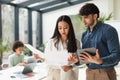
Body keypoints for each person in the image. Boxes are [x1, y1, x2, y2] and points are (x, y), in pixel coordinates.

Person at [70, 3, 120, 80]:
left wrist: (100, 61)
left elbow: (116, 56)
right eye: (82, 17)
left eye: (86, 17)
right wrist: (77, 61)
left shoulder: (109, 30)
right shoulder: (84, 35)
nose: (83, 21)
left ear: (95, 16)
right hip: (89, 73)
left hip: (105, 73)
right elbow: (86, 58)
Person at [34, 15, 80, 80]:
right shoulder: (51, 42)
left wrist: (70, 66)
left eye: (65, 28)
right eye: (60, 28)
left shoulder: (76, 42)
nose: (62, 31)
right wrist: (39, 57)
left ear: (70, 27)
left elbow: (78, 62)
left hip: (69, 75)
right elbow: (47, 59)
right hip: (54, 74)